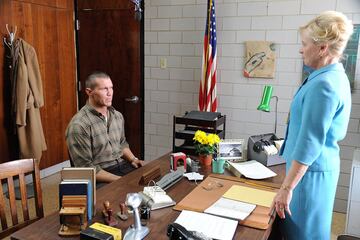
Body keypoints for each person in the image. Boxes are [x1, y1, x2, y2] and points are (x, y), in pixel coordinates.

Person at [271, 11, 353, 239]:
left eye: (304, 44)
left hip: (309, 176)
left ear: (323, 48)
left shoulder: (323, 84)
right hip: (315, 169)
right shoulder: (333, 75)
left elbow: (310, 142)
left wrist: (286, 188)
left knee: (303, 233)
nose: (300, 49)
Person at [65, 71, 143, 184]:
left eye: (111, 88)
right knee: (132, 194)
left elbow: (122, 144)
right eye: (104, 89)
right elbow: (86, 169)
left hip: (122, 166)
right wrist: (122, 181)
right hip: (100, 176)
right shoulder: (79, 125)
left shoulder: (117, 116)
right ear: (89, 92)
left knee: (153, 184)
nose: (109, 93)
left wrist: (134, 159)